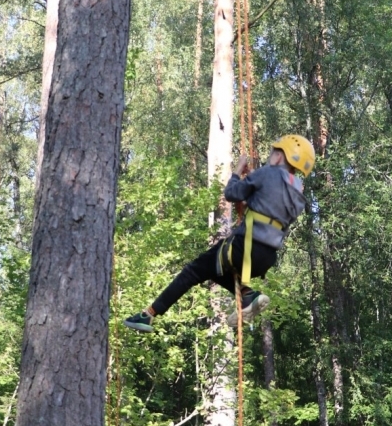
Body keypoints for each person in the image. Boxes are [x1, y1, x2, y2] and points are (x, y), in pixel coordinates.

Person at [124, 135, 314, 332]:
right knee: (213, 269)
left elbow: (231, 193)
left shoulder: (267, 173)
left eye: (273, 152)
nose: (270, 157)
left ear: (279, 157)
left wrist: (237, 172)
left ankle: (149, 314)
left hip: (244, 248)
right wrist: (252, 186)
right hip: (265, 258)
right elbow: (263, 210)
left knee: (194, 270)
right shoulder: (299, 195)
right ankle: (247, 295)